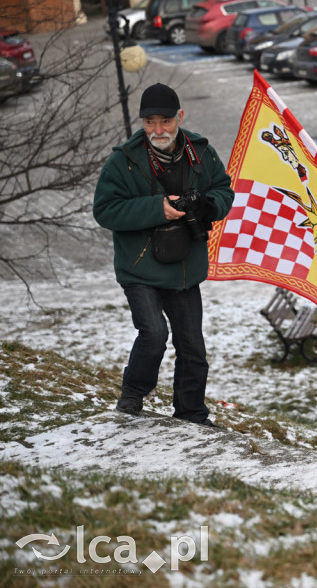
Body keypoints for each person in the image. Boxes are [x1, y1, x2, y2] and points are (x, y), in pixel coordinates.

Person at [93, 83, 234, 426]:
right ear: (142, 123)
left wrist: (208, 205)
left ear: (179, 117)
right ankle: (132, 395)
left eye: (165, 121)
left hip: (184, 266)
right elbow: (105, 211)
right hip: (139, 266)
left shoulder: (201, 151)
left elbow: (223, 190)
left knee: (192, 347)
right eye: (150, 122)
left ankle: (192, 414)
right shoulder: (123, 161)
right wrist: (158, 208)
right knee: (154, 333)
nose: (158, 130)